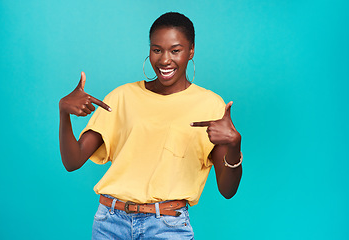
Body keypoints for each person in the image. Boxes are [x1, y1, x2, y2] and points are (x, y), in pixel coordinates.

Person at [59, 12, 242, 240]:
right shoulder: (122, 96)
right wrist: (63, 113)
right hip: (110, 223)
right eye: (157, 50)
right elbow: (72, 161)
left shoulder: (210, 105)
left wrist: (234, 145)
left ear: (191, 51)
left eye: (175, 50)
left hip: (167, 227)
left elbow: (228, 191)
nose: (165, 60)